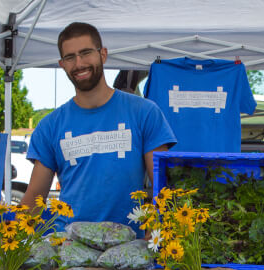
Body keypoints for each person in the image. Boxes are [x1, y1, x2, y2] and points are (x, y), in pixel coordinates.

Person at [22, 22, 177, 229]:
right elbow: (34, 196)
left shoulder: (144, 112)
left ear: (103, 54)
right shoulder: (49, 126)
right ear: (62, 64)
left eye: (86, 53)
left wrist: (160, 228)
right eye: (70, 57)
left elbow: (162, 185)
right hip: (70, 249)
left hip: (130, 246)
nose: (79, 63)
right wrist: (6, 233)